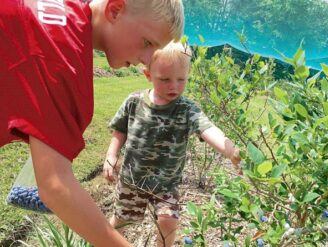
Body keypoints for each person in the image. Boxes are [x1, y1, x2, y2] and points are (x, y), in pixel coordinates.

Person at [0, 0, 184, 246]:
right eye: (147, 43)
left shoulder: (65, 12)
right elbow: (55, 186)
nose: (149, 60)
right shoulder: (61, 54)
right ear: (115, 10)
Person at [103, 41, 242, 247]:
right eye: (165, 79)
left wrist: (231, 150)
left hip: (166, 184)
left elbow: (208, 129)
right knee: (123, 220)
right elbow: (120, 129)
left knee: (169, 220)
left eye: (181, 79)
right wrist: (111, 154)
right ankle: (100, 240)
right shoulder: (134, 102)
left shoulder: (187, 109)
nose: (174, 86)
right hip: (132, 180)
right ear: (148, 75)